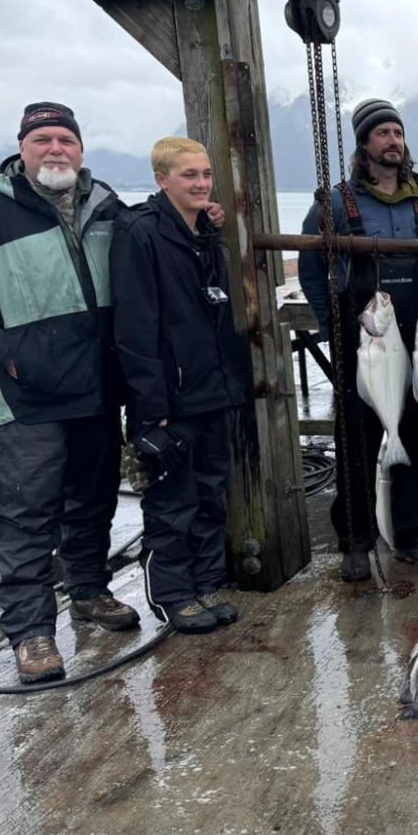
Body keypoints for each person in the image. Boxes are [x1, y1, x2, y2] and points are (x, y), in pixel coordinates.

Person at [0, 102, 137, 684]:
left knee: (93, 499)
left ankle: (89, 591)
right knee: (23, 515)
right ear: (22, 150)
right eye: (42, 139)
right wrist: (0, 349)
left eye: (65, 138)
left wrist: (202, 211)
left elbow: (151, 241)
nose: (55, 149)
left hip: (96, 388)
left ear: (81, 150)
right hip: (24, 397)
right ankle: (32, 632)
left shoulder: (106, 205)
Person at [300, 98, 418, 581]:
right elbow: (311, 269)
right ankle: (356, 541)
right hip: (363, 342)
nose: (392, 141)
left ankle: (414, 534)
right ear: (363, 144)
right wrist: (331, 327)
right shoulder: (334, 204)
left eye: (398, 133)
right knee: (356, 443)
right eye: (382, 133)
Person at [111, 137, 250, 633]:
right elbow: (133, 329)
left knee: (211, 495)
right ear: (162, 179)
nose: (201, 184)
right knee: (172, 501)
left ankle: (207, 582)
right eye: (189, 175)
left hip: (213, 390)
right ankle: (173, 596)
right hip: (170, 400)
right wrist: (151, 408)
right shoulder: (140, 234)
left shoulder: (205, 236)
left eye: (206, 174)